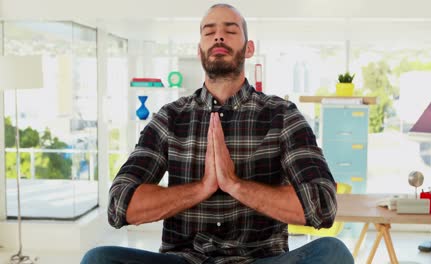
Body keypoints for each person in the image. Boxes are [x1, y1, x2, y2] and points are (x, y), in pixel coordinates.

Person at [81, 3, 353, 264]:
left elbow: (322, 205)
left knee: (333, 253)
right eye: (209, 32)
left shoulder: (282, 115)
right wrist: (202, 188)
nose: (219, 35)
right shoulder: (169, 117)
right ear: (200, 51)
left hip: (259, 259)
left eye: (231, 30)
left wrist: (235, 184)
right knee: (98, 259)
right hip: (185, 260)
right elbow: (119, 205)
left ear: (248, 49)